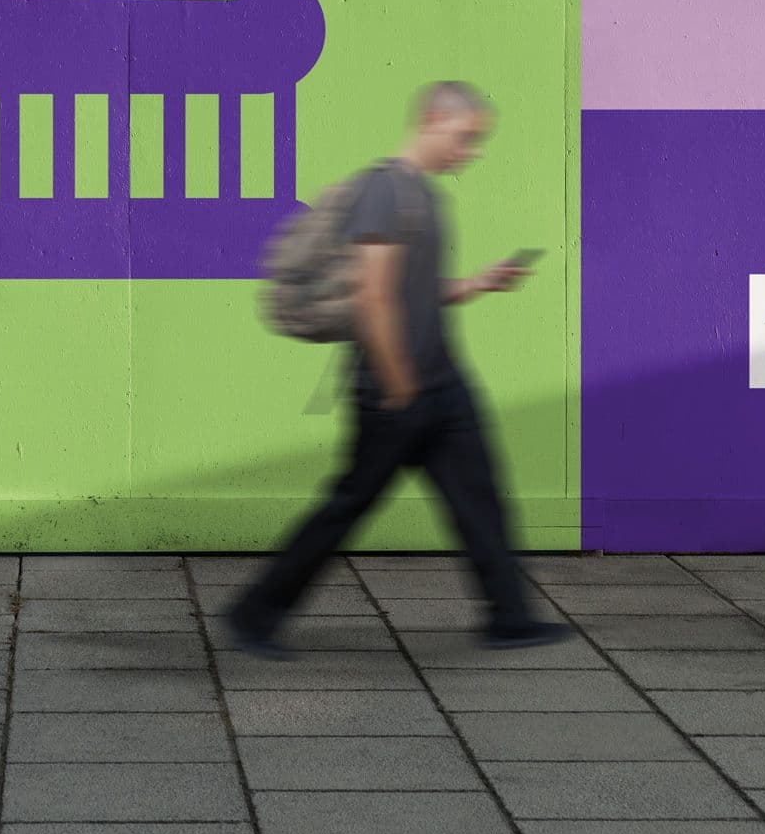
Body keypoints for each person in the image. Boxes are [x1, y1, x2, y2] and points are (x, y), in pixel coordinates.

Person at [229, 81, 567, 657]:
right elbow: (373, 297)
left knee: (479, 498)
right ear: (435, 119)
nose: (471, 151)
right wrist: (400, 386)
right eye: (466, 138)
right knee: (349, 505)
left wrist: (477, 284)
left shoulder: (425, 196)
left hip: (440, 384)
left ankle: (509, 617)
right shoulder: (385, 192)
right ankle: (254, 614)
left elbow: (411, 293)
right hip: (395, 390)